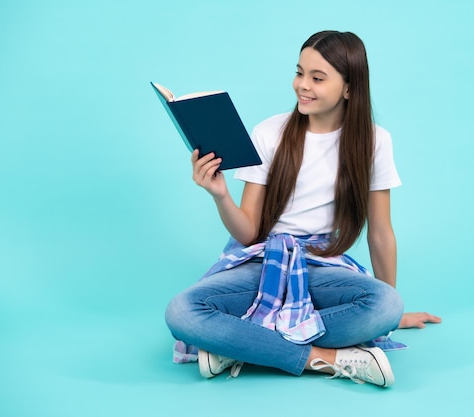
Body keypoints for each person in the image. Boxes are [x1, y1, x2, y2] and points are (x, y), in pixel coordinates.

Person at [165, 30, 441, 388]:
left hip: (322, 265)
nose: (302, 86)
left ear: (349, 88)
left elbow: (380, 232)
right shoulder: (269, 133)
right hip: (262, 262)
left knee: (387, 305)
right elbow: (249, 233)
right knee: (181, 312)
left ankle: (244, 345)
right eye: (299, 73)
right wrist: (220, 195)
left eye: (317, 77)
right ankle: (325, 359)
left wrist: (389, 315)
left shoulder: (375, 141)